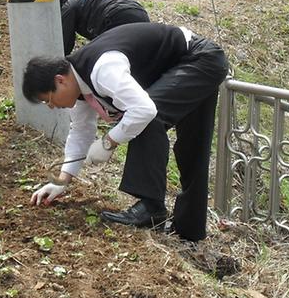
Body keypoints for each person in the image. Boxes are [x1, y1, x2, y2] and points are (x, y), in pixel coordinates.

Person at [22, 23, 228, 242]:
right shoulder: (80, 86)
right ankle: (190, 231)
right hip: (193, 62)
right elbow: (81, 131)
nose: (52, 106)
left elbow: (144, 110)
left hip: (199, 59)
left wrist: (108, 142)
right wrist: (62, 181)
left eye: (48, 99)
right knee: (192, 146)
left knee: (149, 118)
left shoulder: (102, 69)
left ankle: (151, 207)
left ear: (59, 80)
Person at [58, 0, 150, 54]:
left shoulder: (69, 5)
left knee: (108, 57)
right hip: (141, 13)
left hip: (115, 15)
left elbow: (64, 44)